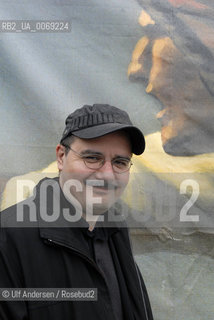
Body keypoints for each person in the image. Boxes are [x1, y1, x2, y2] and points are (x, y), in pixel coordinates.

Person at [0, 104, 153, 320]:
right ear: (61, 157)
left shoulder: (116, 231)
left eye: (120, 162)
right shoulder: (9, 236)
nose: (107, 175)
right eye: (92, 158)